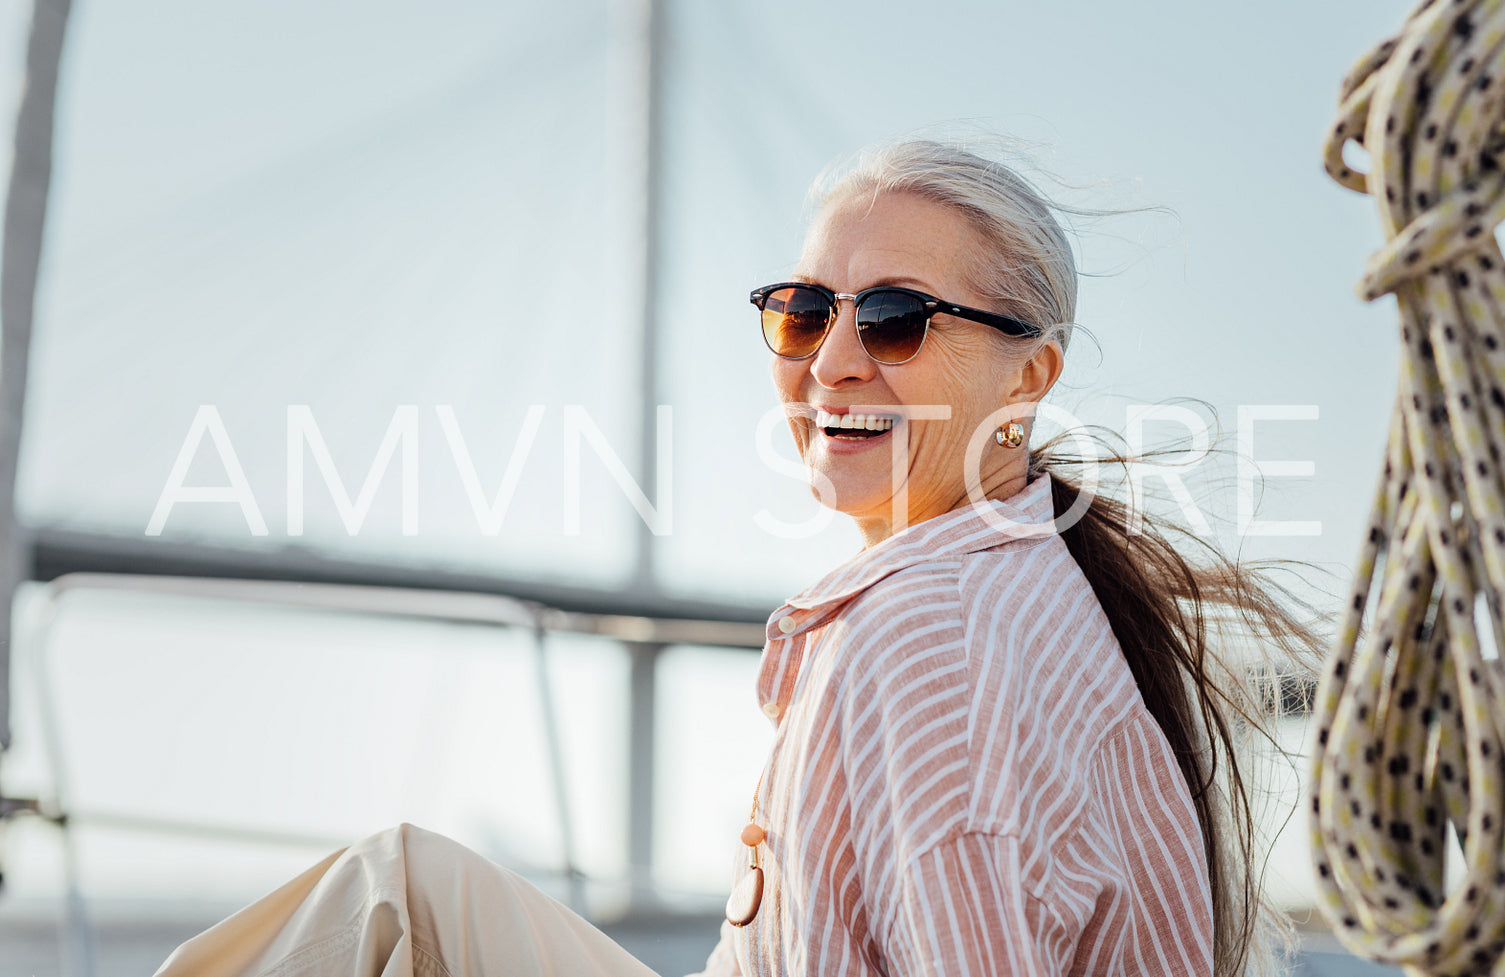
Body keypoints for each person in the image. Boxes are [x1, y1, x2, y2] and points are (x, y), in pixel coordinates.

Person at [154, 139, 1319, 977]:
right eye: (806, 310)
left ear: (1028, 375)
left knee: (383, 906)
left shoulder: (926, 629)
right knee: (402, 886)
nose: (833, 362)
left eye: (898, 317)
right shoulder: (1027, 583)